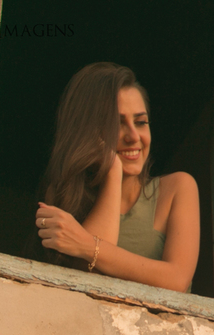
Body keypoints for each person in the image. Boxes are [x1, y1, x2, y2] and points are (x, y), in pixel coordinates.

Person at [34, 62, 199, 292]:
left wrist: (85, 244)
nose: (133, 136)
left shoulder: (178, 188)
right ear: (88, 132)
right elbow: (86, 281)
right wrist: (112, 172)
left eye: (140, 122)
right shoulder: (68, 198)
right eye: (117, 124)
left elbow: (177, 280)